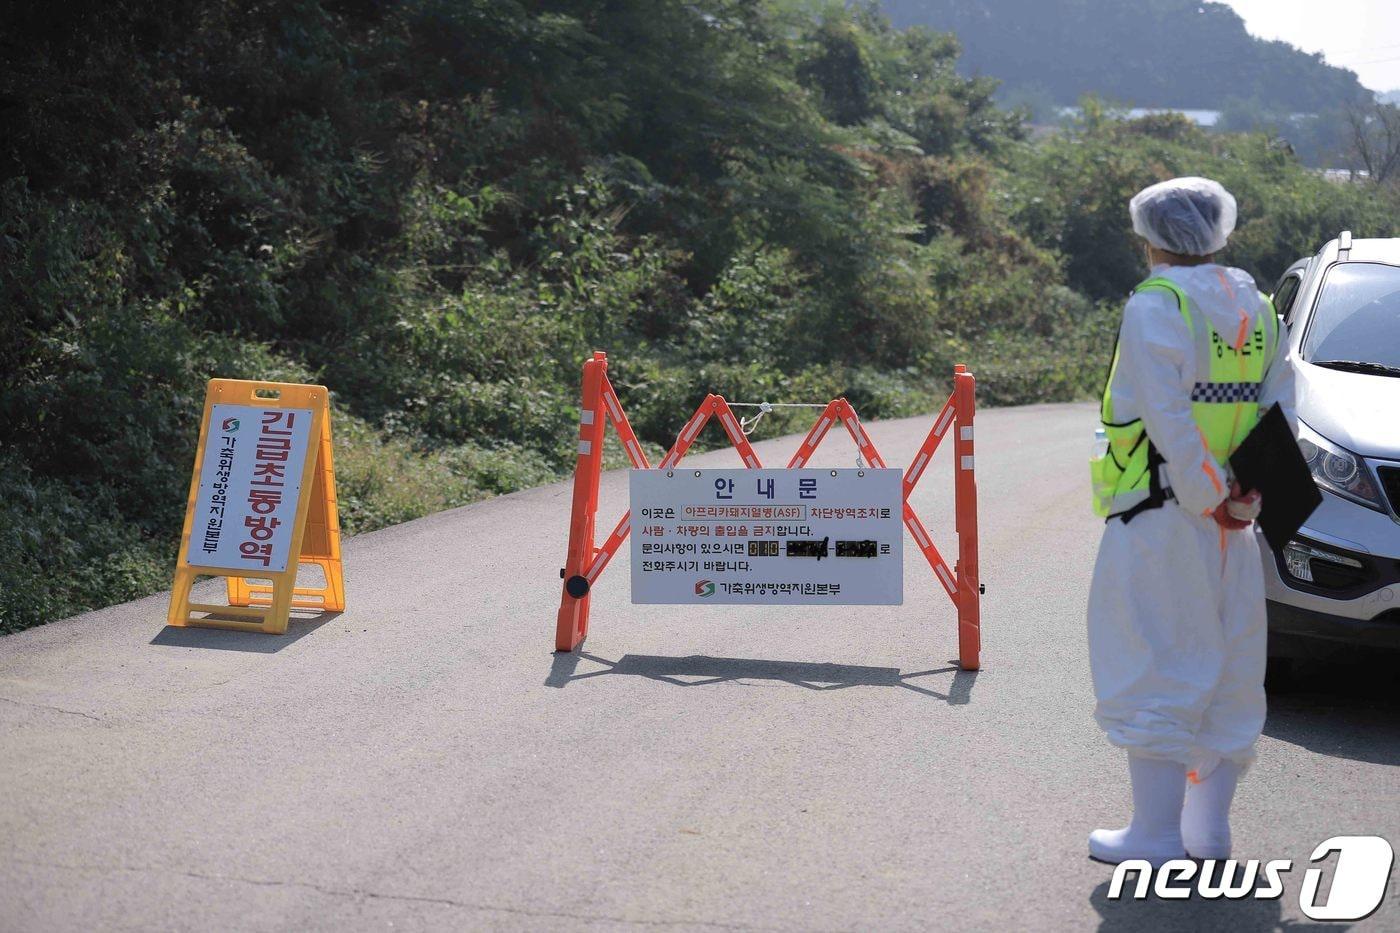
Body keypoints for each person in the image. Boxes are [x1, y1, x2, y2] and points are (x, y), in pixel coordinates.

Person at [1085, 176, 1296, 866]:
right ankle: (1209, 834)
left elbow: (1166, 418)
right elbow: (1277, 408)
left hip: (1164, 513)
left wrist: (1210, 497)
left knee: (1156, 656)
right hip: (1237, 521)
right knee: (1231, 662)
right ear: (1217, 231)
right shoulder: (1258, 303)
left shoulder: (1157, 303)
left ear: (1152, 237)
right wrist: (1247, 498)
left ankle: (1153, 835)